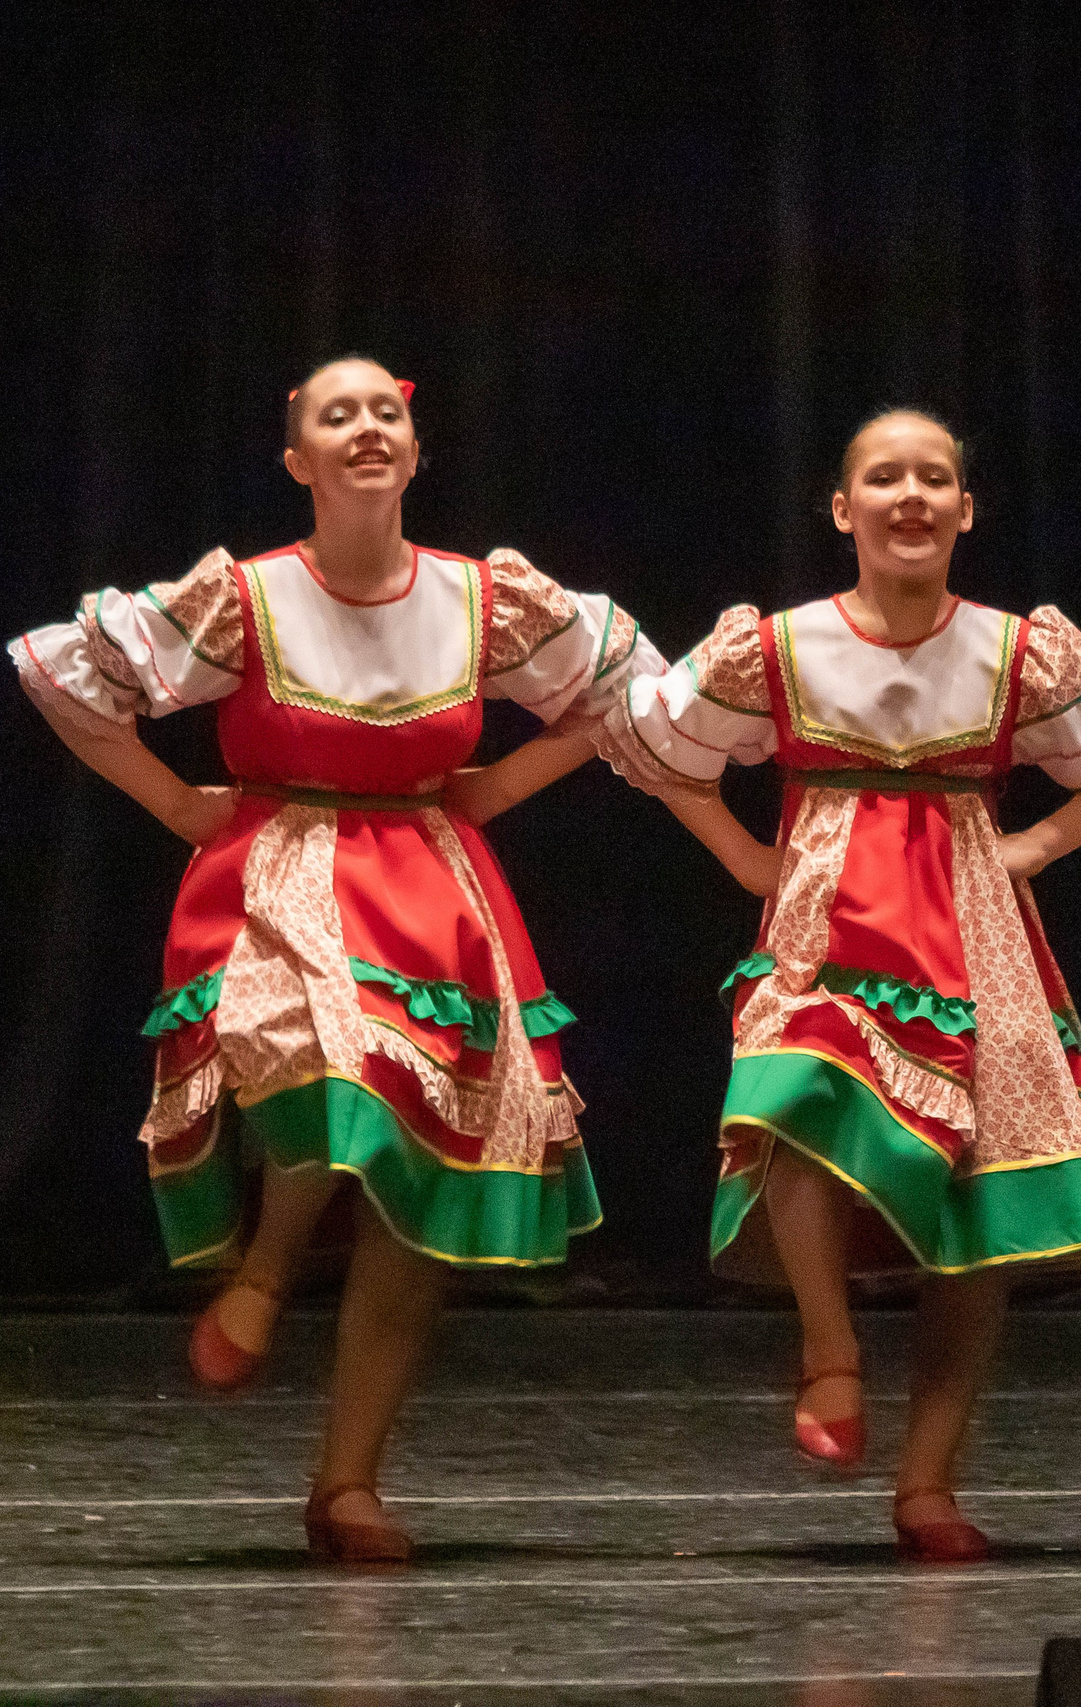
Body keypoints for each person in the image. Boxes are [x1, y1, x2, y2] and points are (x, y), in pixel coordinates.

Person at [9, 356, 655, 1563]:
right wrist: (172, 804)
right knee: (339, 1071)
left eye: (387, 412)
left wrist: (504, 781)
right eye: (335, 414)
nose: (367, 427)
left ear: (415, 452)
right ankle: (265, 1262)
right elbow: (60, 664)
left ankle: (346, 1482)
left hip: (430, 880)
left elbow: (630, 685)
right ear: (299, 460)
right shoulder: (246, 599)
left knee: (419, 1179)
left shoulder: (481, 599)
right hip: (280, 867)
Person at [601, 407, 1081, 1562]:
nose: (912, 497)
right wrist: (743, 857)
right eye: (885, 479)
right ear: (844, 509)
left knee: (968, 1199)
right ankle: (829, 1352)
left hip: (968, 923)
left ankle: (928, 1482)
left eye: (935, 479)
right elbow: (661, 743)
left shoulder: (1016, 650)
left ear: (966, 509)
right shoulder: (779, 647)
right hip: (828, 914)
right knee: (787, 1101)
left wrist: (1033, 846)